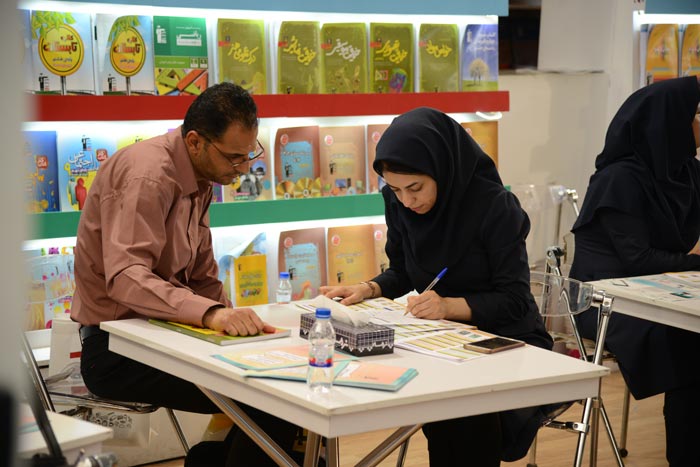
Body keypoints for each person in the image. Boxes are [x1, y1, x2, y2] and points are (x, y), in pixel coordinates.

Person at [70, 83, 301, 466]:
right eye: (234, 157)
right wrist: (211, 315)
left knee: (279, 380)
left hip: (165, 336)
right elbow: (126, 277)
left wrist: (238, 326)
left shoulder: (202, 176)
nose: (244, 169)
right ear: (195, 142)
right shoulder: (148, 176)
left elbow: (202, 276)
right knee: (271, 396)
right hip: (117, 350)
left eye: (249, 155)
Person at [320, 107, 553, 466]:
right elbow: (403, 271)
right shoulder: (399, 204)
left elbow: (515, 300)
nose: (407, 201)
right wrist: (368, 288)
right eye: (395, 189)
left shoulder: (495, 207)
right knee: (442, 407)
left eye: (415, 188)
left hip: (506, 338)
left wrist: (448, 306)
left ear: (443, 168)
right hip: (443, 338)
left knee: (464, 410)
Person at [569, 75, 700, 467]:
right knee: (690, 344)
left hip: (668, 289)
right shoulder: (619, 178)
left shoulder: (687, 171)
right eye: (696, 114)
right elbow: (638, 261)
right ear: (670, 122)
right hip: (608, 301)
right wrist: (696, 257)